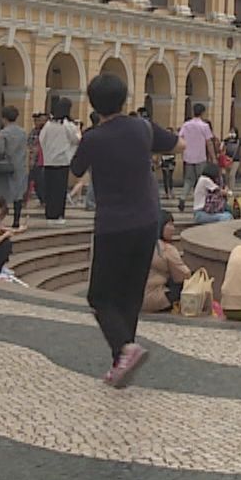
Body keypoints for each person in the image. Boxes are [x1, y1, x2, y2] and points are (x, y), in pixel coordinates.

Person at [69, 72, 178, 389]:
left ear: (93, 103)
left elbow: (76, 169)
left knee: (100, 296)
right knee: (130, 295)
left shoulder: (93, 138)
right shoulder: (142, 127)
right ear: (124, 98)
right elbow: (177, 144)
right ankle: (121, 363)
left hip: (113, 225)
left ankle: (125, 349)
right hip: (147, 221)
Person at [37, 98, 81, 226]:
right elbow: (76, 139)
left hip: (49, 160)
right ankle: (58, 214)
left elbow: (41, 139)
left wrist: (48, 151)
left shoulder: (49, 124)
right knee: (60, 190)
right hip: (62, 161)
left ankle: (49, 213)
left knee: (50, 189)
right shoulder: (67, 125)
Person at [0, 107, 30, 229]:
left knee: (2, 193)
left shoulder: (3, 133)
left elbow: (0, 150)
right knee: (18, 194)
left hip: (6, 166)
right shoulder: (23, 132)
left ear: (3, 118)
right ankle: (16, 220)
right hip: (20, 166)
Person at [144, 214, 190, 314]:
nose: (173, 229)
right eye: (169, 225)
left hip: (136, 299)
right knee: (188, 284)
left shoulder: (143, 243)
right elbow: (183, 275)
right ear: (160, 226)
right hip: (154, 298)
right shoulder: (166, 249)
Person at [178, 104, 214, 190]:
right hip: (200, 157)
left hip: (188, 157)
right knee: (201, 179)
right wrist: (213, 157)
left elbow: (180, 138)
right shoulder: (205, 126)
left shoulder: (186, 125)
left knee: (188, 179)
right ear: (202, 113)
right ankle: (198, 198)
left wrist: (182, 153)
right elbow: (209, 142)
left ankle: (182, 197)